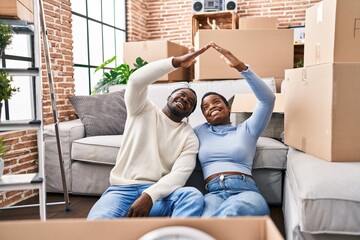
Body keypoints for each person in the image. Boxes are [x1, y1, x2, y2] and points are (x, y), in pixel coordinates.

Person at [87, 44, 211, 219]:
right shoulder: (141, 109)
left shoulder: (188, 136)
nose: (185, 99)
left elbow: (180, 174)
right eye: (181, 94)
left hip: (158, 194)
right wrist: (175, 62)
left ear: (189, 113)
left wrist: (150, 196)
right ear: (169, 97)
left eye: (190, 102)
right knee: (97, 225)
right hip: (120, 191)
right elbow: (136, 80)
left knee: (192, 196)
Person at [194, 42, 275, 217]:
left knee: (230, 213)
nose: (211, 107)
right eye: (205, 107)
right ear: (204, 115)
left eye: (216, 102)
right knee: (206, 220)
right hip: (213, 194)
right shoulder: (199, 131)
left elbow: (268, 100)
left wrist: (241, 67)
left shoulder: (247, 129)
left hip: (246, 191)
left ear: (228, 108)